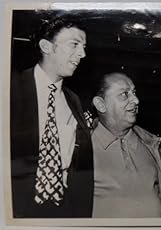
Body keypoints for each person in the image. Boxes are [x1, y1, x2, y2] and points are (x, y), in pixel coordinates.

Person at [10, 15, 94, 218]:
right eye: (74, 44)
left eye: (83, 47)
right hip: (17, 210)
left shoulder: (74, 100)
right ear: (46, 46)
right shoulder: (11, 89)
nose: (82, 54)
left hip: (64, 209)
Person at [91, 72, 161, 217]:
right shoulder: (81, 149)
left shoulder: (153, 147)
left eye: (134, 92)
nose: (136, 100)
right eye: (124, 94)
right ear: (101, 104)